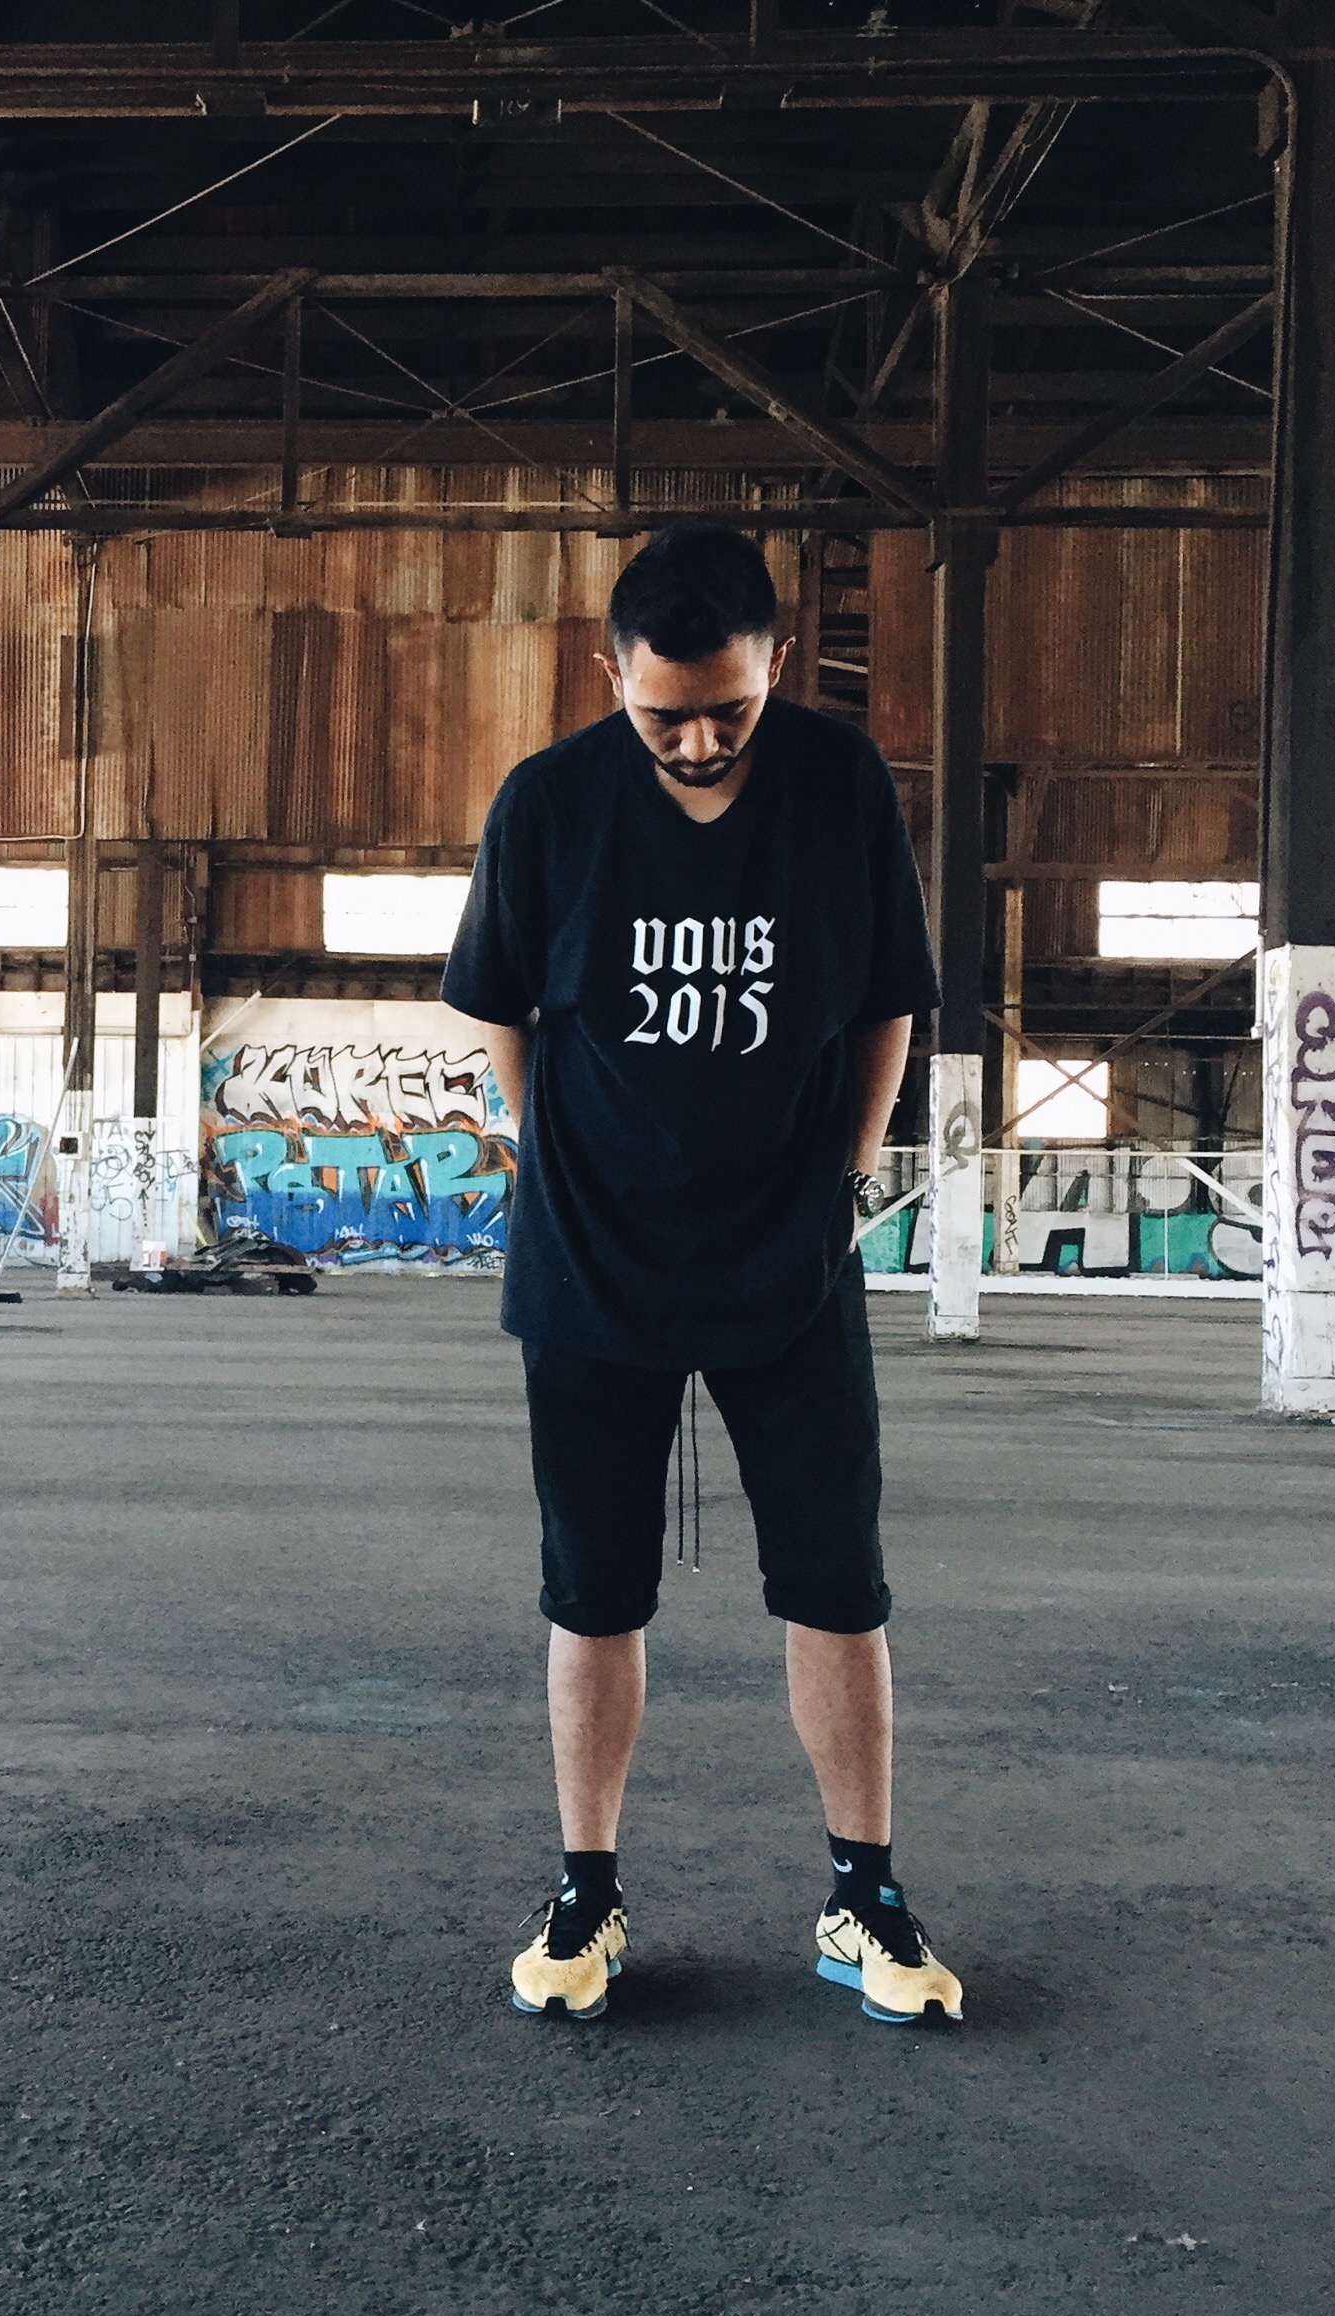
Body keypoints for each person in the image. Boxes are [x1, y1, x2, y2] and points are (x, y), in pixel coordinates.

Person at [441, 522, 963, 2028]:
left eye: (725, 709)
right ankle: (584, 1894)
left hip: (786, 1254)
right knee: (590, 1592)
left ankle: (863, 1895)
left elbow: (886, 997)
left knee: (837, 1585)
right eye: (662, 713)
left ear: (775, 664)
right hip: (590, 1262)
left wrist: (847, 1176)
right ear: (610, 671)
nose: (694, 741)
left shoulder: (839, 784)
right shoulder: (549, 801)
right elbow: (499, 1007)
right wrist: (556, 1162)